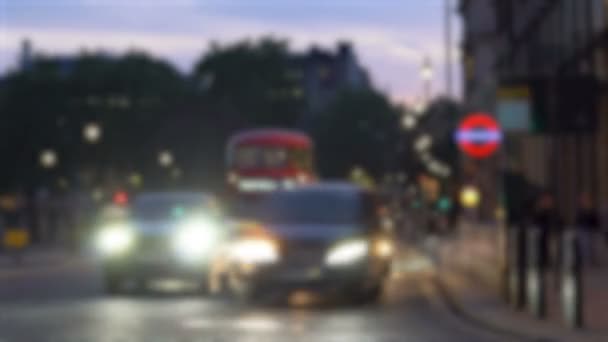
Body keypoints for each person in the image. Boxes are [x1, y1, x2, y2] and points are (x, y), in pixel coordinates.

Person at [531, 191, 564, 269]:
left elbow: (560, 224)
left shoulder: (555, 213)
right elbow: (535, 223)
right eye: (545, 200)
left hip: (552, 236)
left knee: (552, 242)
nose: (547, 202)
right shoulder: (538, 213)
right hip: (542, 237)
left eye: (548, 200)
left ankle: (552, 262)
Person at [575, 192, 600, 266]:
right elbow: (578, 220)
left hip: (592, 230)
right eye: (582, 199)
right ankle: (586, 261)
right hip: (583, 230)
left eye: (585, 199)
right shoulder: (580, 210)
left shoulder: (592, 209)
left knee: (592, 246)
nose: (584, 201)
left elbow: (595, 220)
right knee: (584, 245)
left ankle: (591, 260)